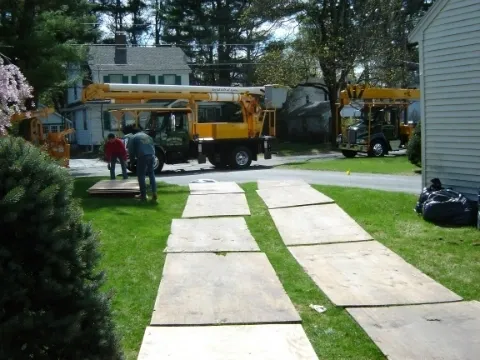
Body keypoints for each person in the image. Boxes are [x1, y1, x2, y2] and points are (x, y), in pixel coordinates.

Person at [127, 128, 157, 202]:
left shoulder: (133, 137)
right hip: (152, 155)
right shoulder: (147, 136)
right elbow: (153, 146)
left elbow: (131, 151)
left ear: (133, 133)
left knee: (141, 175)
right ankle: (154, 192)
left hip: (142, 156)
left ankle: (143, 195)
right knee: (151, 173)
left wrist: (132, 162)